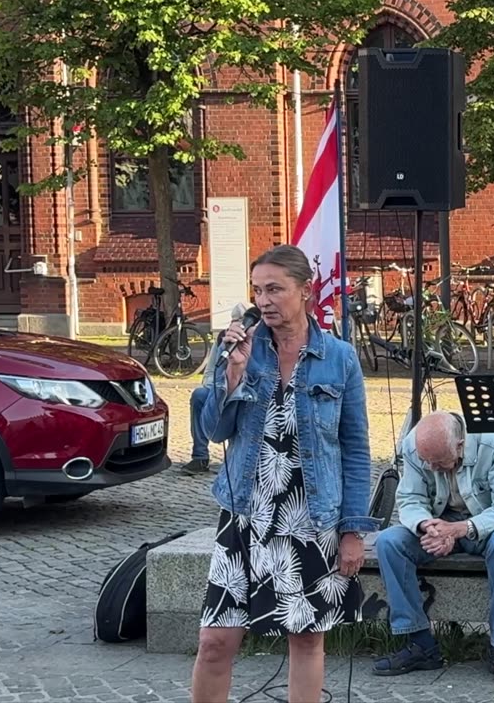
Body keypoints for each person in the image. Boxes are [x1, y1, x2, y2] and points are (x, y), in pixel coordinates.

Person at [190, 245, 375, 703]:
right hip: (244, 517)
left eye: (275, 288)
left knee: (307, 639)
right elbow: (213, 430)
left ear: (305, 292)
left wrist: (354, 530)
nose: (265, 300)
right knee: (215, 642)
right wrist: (232, 372)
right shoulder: (241, 351)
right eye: (257, 290)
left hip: (311, 515)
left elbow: (355, 449)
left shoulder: (340, 358)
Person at [371, 411, 494, 686]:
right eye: (427, 462)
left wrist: (461, 529)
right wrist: (428, 526)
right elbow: (410, 499)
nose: (432, 468)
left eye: (438, 461)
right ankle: (420, 643)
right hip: (443, 523)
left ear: (460, 445)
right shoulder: (415, 445)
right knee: (389, 542)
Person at [182, 303, 251, 476]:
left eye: (243, 322)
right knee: (199, 395)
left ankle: (237, 458)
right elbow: (210, 370)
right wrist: (217, 388)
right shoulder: (224, 339)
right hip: (221, 387)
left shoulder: (260, 340)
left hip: (248, 392)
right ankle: (200, 456)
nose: (238, 326)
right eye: (236, 322)